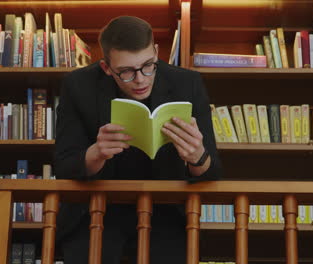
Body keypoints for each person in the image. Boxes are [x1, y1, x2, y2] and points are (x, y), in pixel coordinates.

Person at [54, 16, 221, 264]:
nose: (141, 79)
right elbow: (64, 166)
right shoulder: (78, 85)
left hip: (165, 213)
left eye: (148, 66)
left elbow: (212, 171)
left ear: (155, 52)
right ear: (107, 67)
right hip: (94, 212)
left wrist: (198, 157)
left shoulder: (187, 83)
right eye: (126, 72)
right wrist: (96, 153)